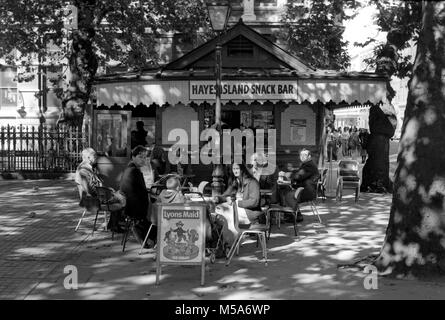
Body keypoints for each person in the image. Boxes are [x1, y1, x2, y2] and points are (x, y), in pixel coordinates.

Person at [213, 163, 264, 247]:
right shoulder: (236, 182)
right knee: (219, 209)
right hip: (239, 210)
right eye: (233, 169)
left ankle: (229, 243)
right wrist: (218, 198)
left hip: (250, 212)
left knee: (227, 213)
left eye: (237, 168)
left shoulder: (253, 182)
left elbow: (254, 202)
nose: (235, 171)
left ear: (242, 169)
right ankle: (223, 242)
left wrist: (237, 202)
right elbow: (226, 194)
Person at [271, 149, 320, 223]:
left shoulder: (309, 165)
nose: (302, 157)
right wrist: (289, 179)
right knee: (284, 189)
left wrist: (286, 175)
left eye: (305, 155)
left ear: (309, 156)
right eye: (301, 155)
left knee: (285, 193)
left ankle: (292, 215)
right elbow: (299, 175)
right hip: (306, 189)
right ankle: (293, 215)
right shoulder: (307, 164)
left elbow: (298, 176)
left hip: (306, 192)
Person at [119, 145, 154, 248]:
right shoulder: (134, 171)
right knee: (156, 213)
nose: (143, 160)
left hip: (129, 206)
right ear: (133, 157)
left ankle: (148, 237)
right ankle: (148, 238)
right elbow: (142, 191)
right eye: (140, 157)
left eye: (145, 157)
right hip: (134, 208)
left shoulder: (130, 168)